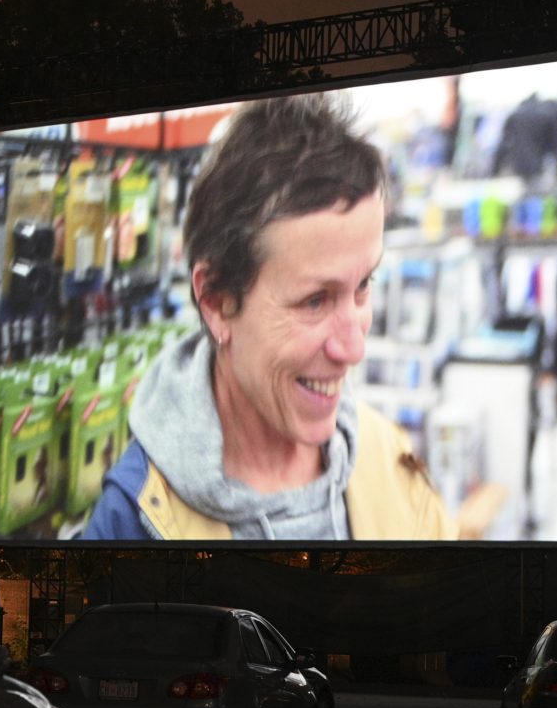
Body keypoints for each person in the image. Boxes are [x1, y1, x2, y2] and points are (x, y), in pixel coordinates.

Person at [80, 94, 454, 541]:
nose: (353, 349)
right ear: (216, 300)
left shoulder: (393, 461)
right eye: (314, 301)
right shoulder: (131, 528)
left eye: (363, 286)